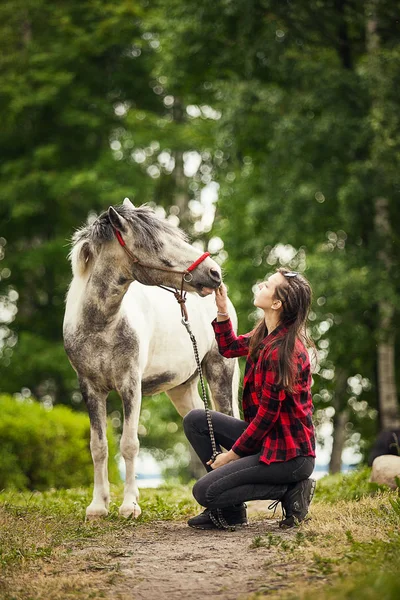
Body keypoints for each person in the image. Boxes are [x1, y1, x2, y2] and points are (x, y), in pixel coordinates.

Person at [183, 268, 316, 530]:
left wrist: (231, 455)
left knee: (204, 492)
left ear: (277, 303)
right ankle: (231, 512)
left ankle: (290, 490)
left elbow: (267, 417)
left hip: (289, 456)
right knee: (196, 420)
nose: (260, 288)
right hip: (268, 442)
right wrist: (222, 309)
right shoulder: (265, 334)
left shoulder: (283, 352)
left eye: (267, 286)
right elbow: (229, 347)